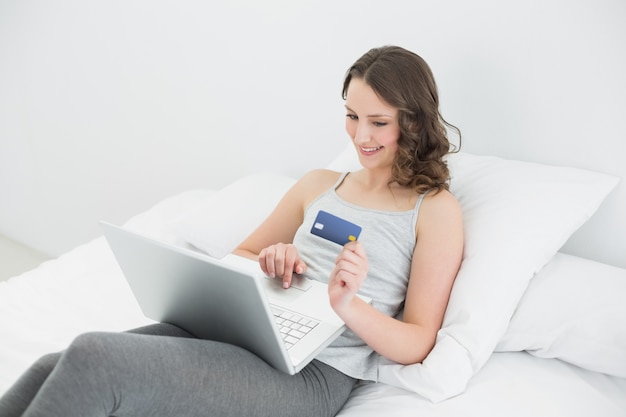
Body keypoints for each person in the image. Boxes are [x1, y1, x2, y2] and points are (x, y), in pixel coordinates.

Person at [0, 45, 464, 417]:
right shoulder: (321, 184)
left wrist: (348, 305)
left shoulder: (433, 210)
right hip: (253, 327)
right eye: (351, 115)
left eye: (378, 123)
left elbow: (420, 341)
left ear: (414, 121)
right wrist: (271, 262)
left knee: (95, 359)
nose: (360, 136)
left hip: (311, 372)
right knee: (52, 365)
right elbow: (243, 254)